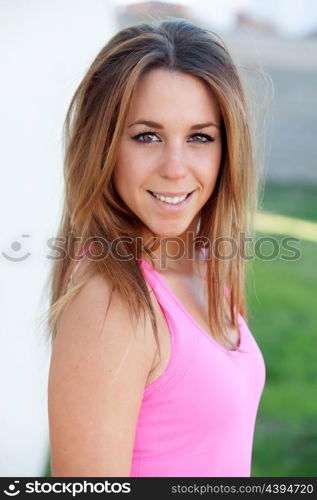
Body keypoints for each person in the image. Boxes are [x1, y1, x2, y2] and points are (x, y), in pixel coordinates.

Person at [46, 18, 266, 477]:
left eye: (200, 137)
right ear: (104, 145)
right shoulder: (112, 304)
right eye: (147, 136)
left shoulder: (203, 263)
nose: (175, 167)